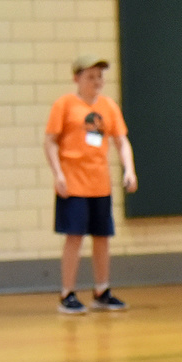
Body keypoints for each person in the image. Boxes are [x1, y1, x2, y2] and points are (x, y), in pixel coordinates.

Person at [44, 56, 137, 314]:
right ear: (77, 79)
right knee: (74, 237)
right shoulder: (65, 105)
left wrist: (129, 169)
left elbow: (121, 141)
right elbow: (50, 141)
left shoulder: (109, 106)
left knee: (102, 237)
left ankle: (102, 291)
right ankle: (67, 293)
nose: (97, 82)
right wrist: (58, 174)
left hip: (99, 183)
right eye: (90, 77)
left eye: (99, 77)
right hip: (73, 183)